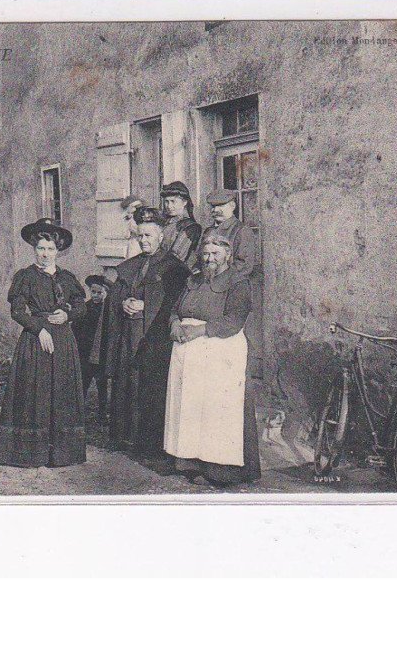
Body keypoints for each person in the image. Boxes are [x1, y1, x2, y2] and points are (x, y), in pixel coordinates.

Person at [163, 231, 261, 486]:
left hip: (220, 352)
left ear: (228, 255)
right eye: (205, 254)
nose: (209, 259)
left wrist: (200, 330)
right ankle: (191, 462)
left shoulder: (238, 283)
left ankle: (220, 470)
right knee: (192, 407)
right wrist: (174, 324)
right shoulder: (193, 281)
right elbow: (175, 309)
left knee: (216, 409)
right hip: (189, 352)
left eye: (215, 253)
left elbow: (234, 320)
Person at [0, 218, 87, 467]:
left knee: (61, 391)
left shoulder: (67, 278)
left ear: (58, 250)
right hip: (36, 342)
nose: (45, 254)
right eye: (41, 248)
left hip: (63, 341)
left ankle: (61, 454)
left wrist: (67, 314)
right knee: (36, 391)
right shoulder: (25, 277)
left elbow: (81, 306)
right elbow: (17, 311)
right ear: (34, 249)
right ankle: (32, 453)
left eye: (50, 249)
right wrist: (38, 328)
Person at [107, 206, 191, 455]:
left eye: (148, 236)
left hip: (155, 339)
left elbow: (178, 302)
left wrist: (147, 305)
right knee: (128, 383)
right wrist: (123, 302)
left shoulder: (174, 268)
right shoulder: (130, 266)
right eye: (140, 236)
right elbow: (115, 296)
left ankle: (151, 443)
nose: (143, 241)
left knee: (152, 386)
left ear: (161, 236)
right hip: (129, 335)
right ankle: (126, 436)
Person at [72, 274, 112, 429]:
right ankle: (78, 415)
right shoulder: (85, 308)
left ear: (105, 293)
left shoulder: (108, 311)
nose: (95, 295)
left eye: (99, 292)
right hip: (85, 354)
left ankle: (102, 415)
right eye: (93, 292)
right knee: (83, 384)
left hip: (101, 355)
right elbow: (75, 329)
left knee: (102, 386)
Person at [203, 189, 257, 280]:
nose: (215, 210)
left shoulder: (242, 230)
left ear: (232, 206)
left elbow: (244, 266)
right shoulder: (208, 231)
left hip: (230, 284)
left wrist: (218, 280)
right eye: (213, 206)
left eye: (221, 205)